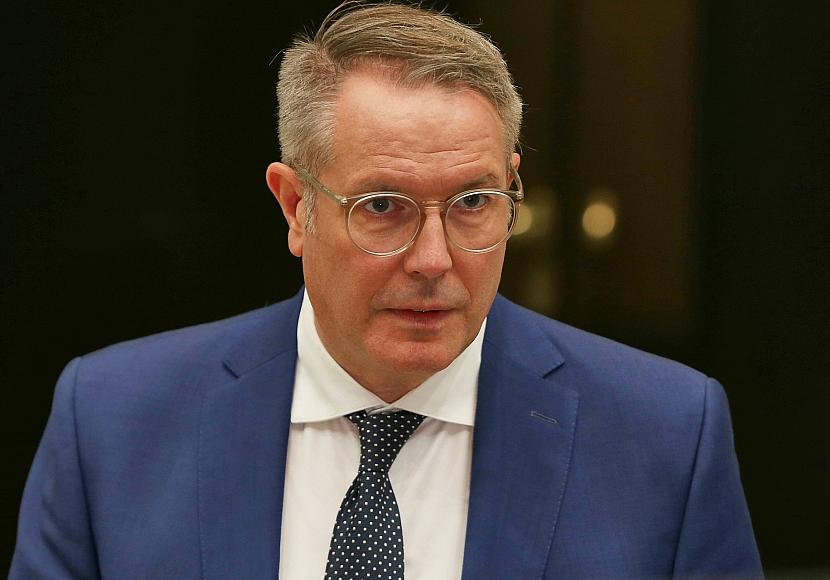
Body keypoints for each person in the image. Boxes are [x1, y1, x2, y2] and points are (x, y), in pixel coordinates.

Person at [11, 3, 763, 579]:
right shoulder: (113, 421)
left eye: (473, 203)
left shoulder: (665, 435)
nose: (434, 260)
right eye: (381, 207)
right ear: (295, 206)